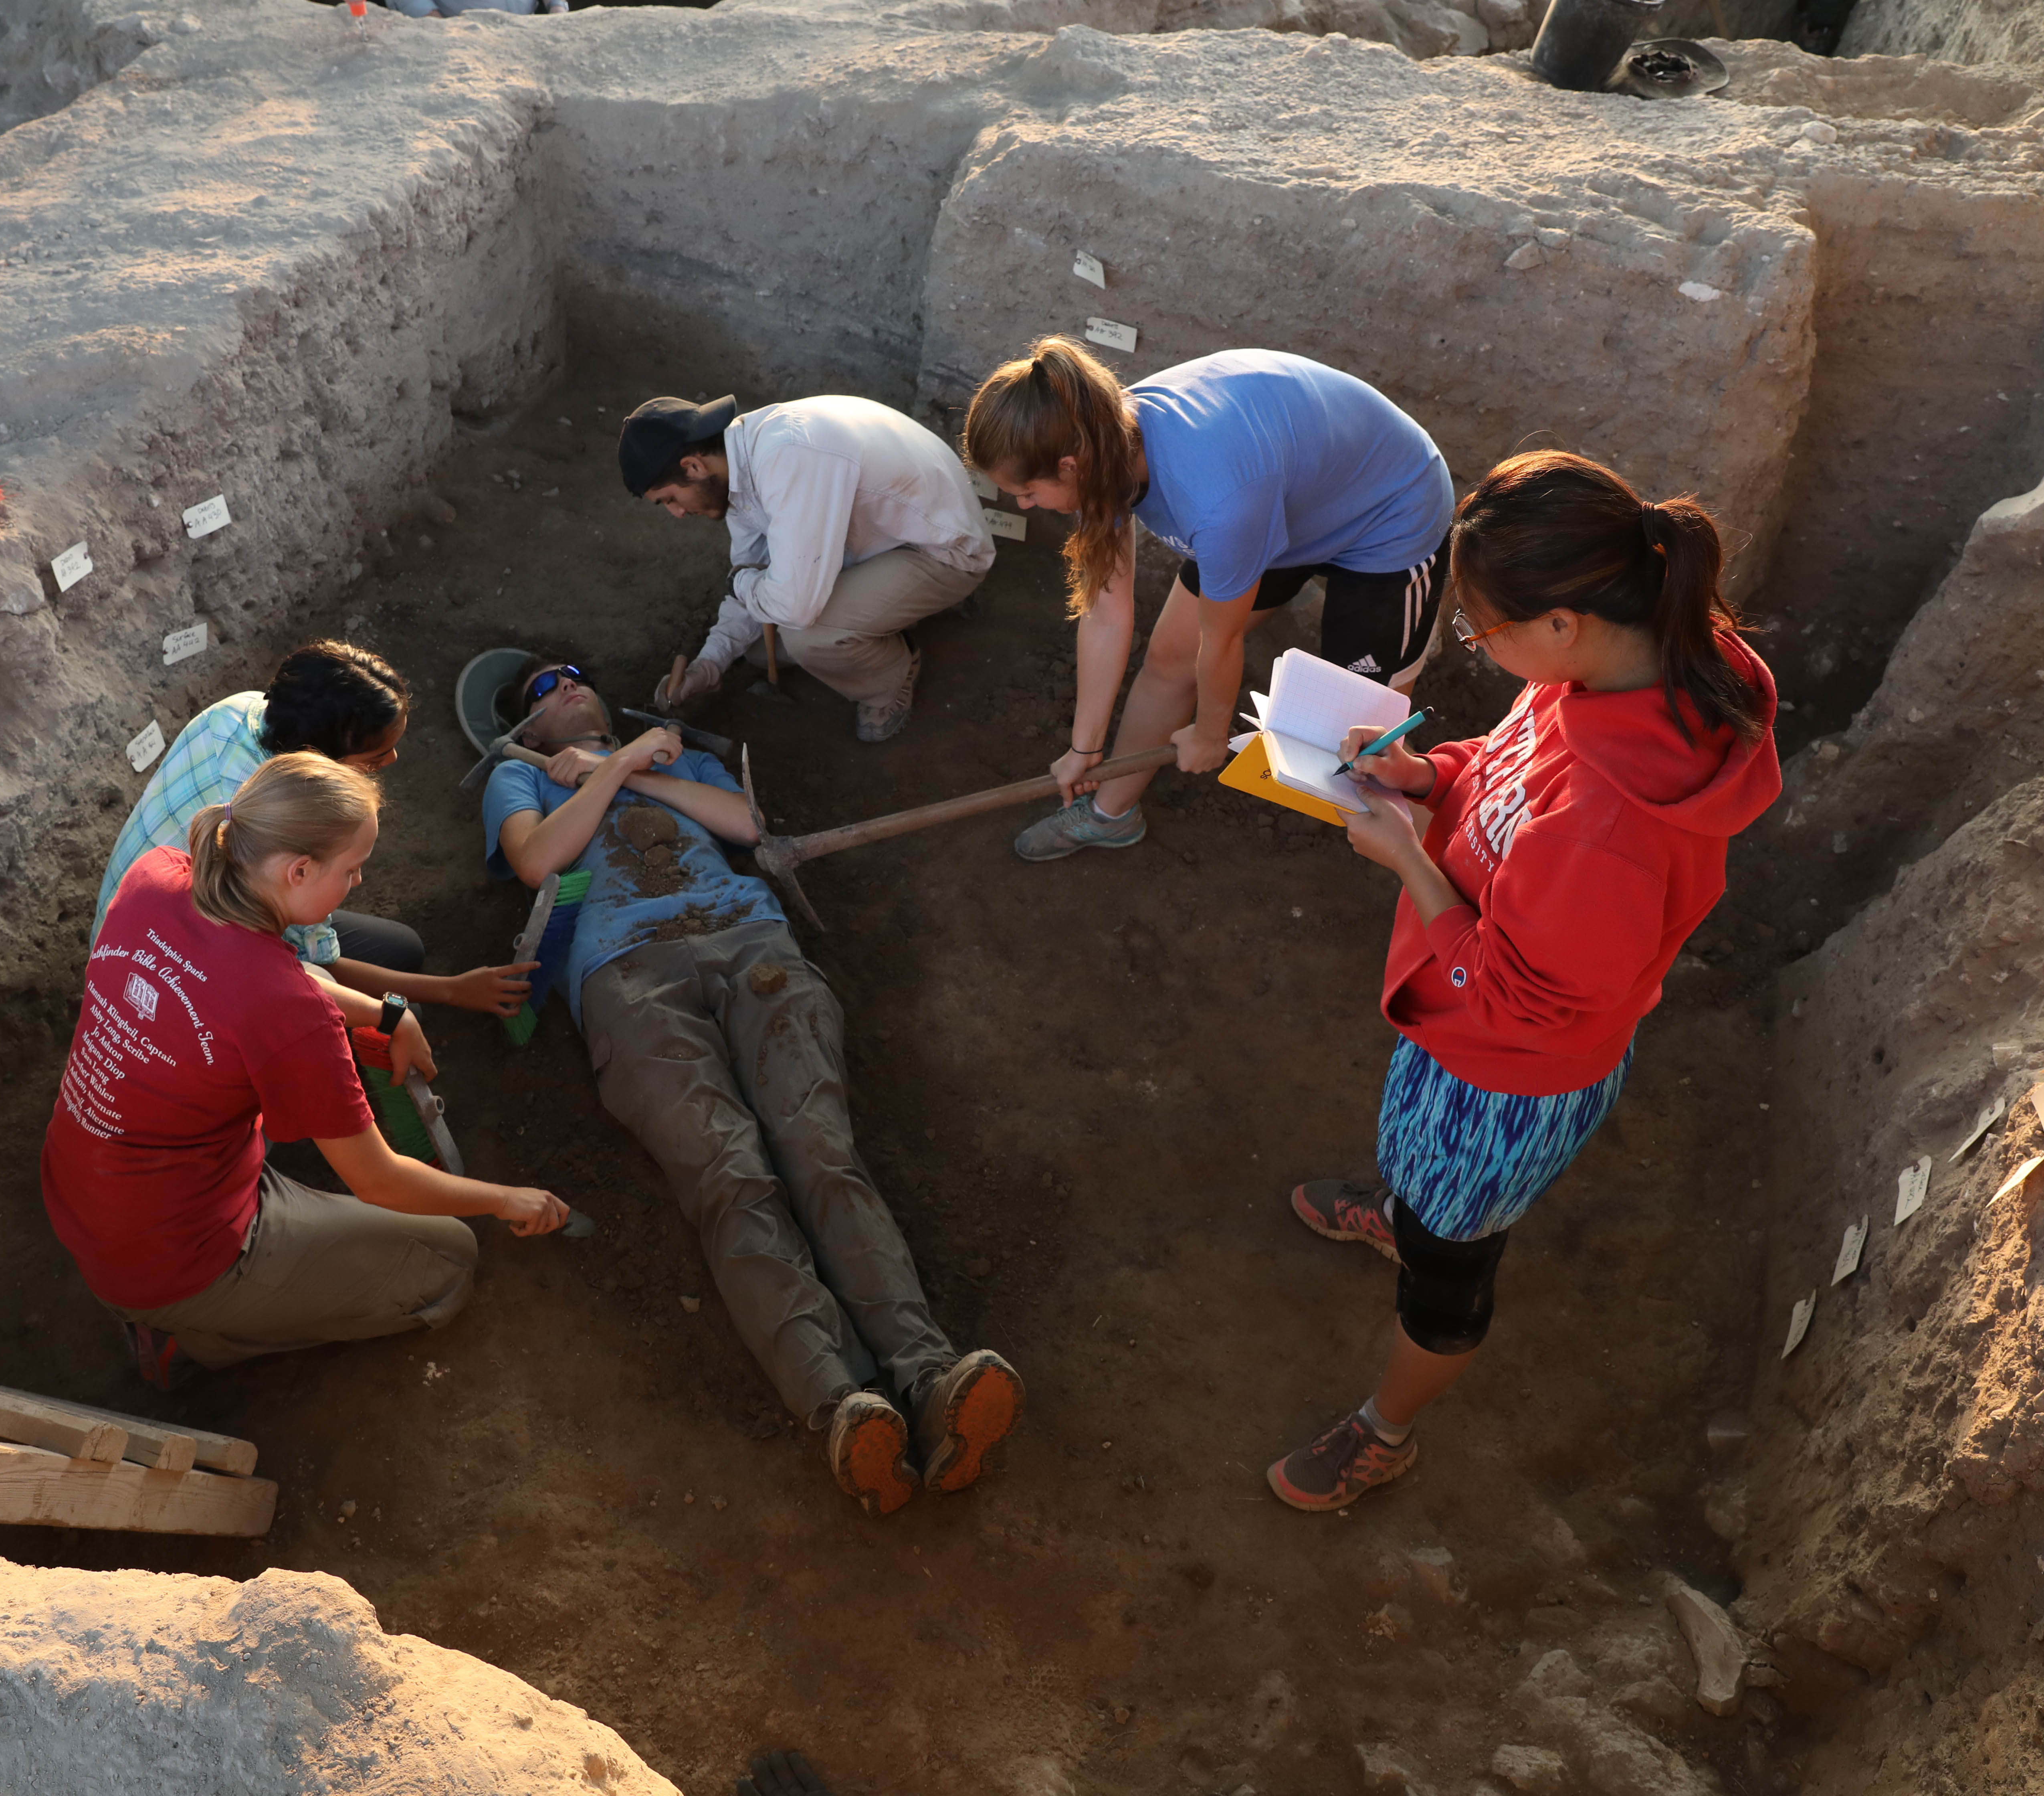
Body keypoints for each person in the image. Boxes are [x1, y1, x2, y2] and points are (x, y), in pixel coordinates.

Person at [1265, 451, 1781, 1513]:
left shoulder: (1609, 824)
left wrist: (1409, 859)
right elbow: (1505, 768)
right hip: (1461, 1021)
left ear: (1561, 622)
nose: (1477, 642)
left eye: (1481, 628)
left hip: (1508, 1075)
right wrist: (1426, 775)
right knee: (1423, 1185)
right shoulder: (1618, 664)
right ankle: (1405, 1209)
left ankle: (1385, 1429)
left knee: (1449, 1274)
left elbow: (1521, 997)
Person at [482, 656, 1023, 1513]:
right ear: (526, 728)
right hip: (628, 979)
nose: (566, 687)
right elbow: (536, 858)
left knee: (821, 1150)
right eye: (543, 691)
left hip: (753, 946)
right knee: (730, 1174)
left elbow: (743, 822)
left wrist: (634, 762)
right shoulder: (519, 779)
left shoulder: (680, 757)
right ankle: (845, 1405)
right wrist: (606, 771)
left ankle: (931, 1378)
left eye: (574, 674)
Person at [46, 752, 569, 1387]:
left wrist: (387, 1013)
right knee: (449, 1257)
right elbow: (380, 1181)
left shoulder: (158, 875)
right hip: (173, 1257)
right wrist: (505, 1198)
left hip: (86, 1190)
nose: (358, 883)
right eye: (351, 870)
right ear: (299, 870)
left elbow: (271, 977)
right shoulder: (289, 1014)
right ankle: (192, 1340)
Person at [962, 338, 1455, 861]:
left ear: (1068, 467)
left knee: (1367, 742)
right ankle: (1111, 815)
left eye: (1028, 493)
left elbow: (1220, 642)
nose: (1024, 505)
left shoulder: (1216, 502)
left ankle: (1453, 874)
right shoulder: (1098, 444)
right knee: (1172, 658)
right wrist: (1085, 747)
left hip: (1388, 513)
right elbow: (1106, 615)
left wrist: (1211, 732)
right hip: (1286, 492)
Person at [93, 640, 534, 1019]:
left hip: (121, 936)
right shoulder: (289, 825)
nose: (392, 762)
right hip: (164, 988)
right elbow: (316, 969)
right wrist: (452, 991)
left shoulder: (241, 710)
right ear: (321, 763)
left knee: (402, 950)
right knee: (398, 1017)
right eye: (375, 759)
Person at [620, 392, 996, 744]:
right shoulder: (742, 465)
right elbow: (753, 574)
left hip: (943, 548)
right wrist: (709, 664)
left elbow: (790, 604)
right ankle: (888, 613)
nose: (678, 513)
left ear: (694, 466)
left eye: (670, 499)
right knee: (759, 648)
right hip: (887, 536)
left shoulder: (789, 458)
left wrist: (744, 583)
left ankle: (892, 678)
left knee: (808, 636)